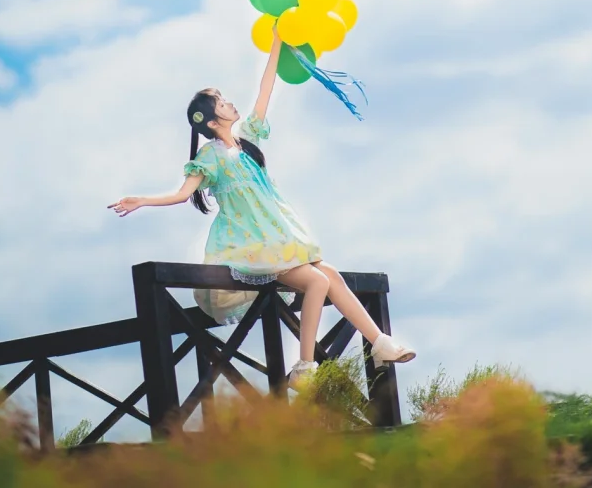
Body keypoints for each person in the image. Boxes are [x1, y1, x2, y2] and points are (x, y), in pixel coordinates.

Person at [109, 29, 415, 386]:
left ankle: (379, 341)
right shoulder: (209, 157)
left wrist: (277, 43)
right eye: (221, 103)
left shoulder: (248, 141)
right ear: (211, 121)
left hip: (278, 234)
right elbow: (181, 194)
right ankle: (304, 367)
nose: (229, 103)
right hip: (251, 245)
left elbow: (265, 89)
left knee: (329, 275)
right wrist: (142, 200)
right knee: (317, 280)